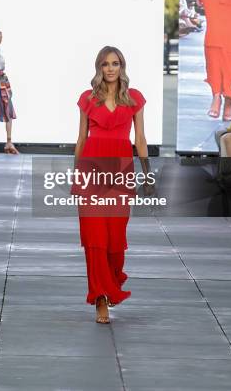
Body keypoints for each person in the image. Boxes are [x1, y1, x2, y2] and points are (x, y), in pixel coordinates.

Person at [74, 46, 149, 324]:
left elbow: (140, 139)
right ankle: (100, 298)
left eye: (115, 63)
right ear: (99, 67)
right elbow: (81, 140)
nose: (110, 68)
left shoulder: (134, 99)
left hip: (120, 172)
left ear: (122, 67)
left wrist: (147, 175)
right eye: (105, 64)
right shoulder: (87, 98)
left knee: (115, 241)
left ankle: (112, 282)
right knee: (95, 239)